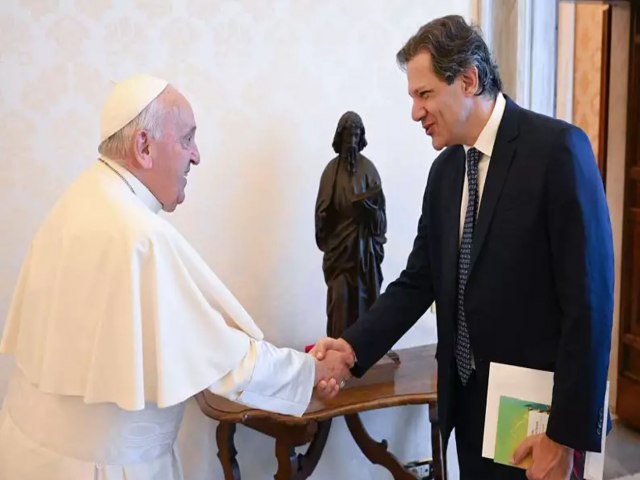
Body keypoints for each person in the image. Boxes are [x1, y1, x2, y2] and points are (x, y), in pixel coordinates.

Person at [0, 74, 352, 480]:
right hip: (102, 468)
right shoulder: (136, 233)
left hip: (31, 452)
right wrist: (312, 371)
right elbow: (223, 359)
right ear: (144, 147)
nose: (196, 156)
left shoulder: (84, 197)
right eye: (187, 139)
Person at [313, 15, 613, 480]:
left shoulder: (557, 152)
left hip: (541, 423)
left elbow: (589, 307)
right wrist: (352, 349)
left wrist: (565, 435)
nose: (415, 112)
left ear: (469, 80)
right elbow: (418, 283)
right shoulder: (447, 172)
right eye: (413, 97)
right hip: (468, 413)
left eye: (425, 94)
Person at [315, 111, 387, 337]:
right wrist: (325, 219)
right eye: (348, 136)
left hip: (365, 252)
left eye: (356, 136)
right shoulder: (331, 171)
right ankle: (338, 353)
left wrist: (370, 212)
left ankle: (366, 354)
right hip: (340, 252)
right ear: (340, 137)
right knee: (340, 300)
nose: (352, 142)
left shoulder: (369, 170)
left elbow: (382, 222)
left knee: (367, 303)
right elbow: (321, 213)